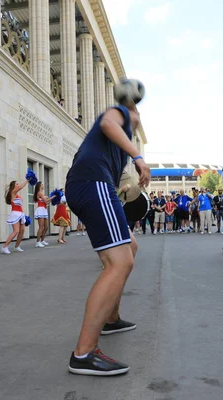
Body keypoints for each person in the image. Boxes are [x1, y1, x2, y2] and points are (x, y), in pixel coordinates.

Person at [65, 88, 149, 376]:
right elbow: (107, 123)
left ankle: (111, 318)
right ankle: (84, 353)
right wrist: (139, 157)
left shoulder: (113, 143)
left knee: (131, 247)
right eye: (135, 113)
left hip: (90, 185)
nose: (136, 117)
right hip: (92, 184)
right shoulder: (118, 116)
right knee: (120, 262)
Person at [1, 178, 30, 254]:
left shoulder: (17, 194)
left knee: (22, 230)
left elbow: (20, 206)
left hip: (20, 214)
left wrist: (23, 215)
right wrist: (27, 181)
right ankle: (4, 247)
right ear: (13, 186)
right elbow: (20, 187)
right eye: (16, 184)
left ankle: (17, 246)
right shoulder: (13, 192)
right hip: (15, 214)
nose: (18, 185)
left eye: (18, 183)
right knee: (16, 231)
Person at [33, 182, 55, 248]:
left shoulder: (42, 193)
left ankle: (42, 240)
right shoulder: (39, 193)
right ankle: (37, 242)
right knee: (41, 227)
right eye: (42, 184)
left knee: (46, 227)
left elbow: (47, 202)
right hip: (40, 210)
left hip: (44, 210)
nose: (43, 185)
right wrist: (53, 197)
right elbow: (46, 200)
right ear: (39, 186)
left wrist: (52, 199)